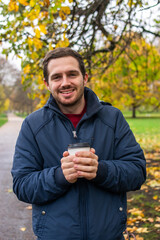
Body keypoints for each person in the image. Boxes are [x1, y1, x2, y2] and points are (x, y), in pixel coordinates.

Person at [12, 47, 146, 240]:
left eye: (72, 74)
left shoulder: (113, 118)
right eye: (57, 77)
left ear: (84, 77)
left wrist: (101, 171)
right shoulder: (33, 125)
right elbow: (22, 185)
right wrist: (59, 176)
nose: (65, 82)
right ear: (47, 84)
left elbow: (137, 172)